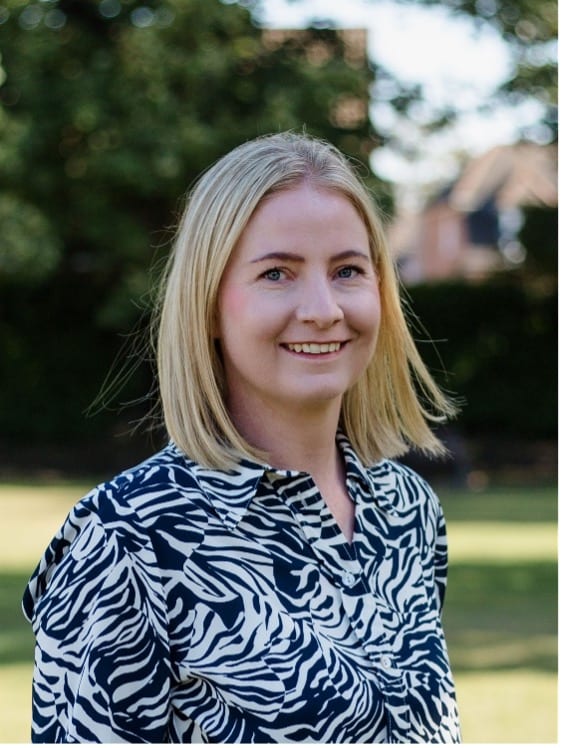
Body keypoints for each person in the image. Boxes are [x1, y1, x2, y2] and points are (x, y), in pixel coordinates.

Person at [23, 132, 461, 743]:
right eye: (277, 273)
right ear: (208, 306)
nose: (323, 308)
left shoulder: (410, 511)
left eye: (348, 271)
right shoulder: (126, 541)